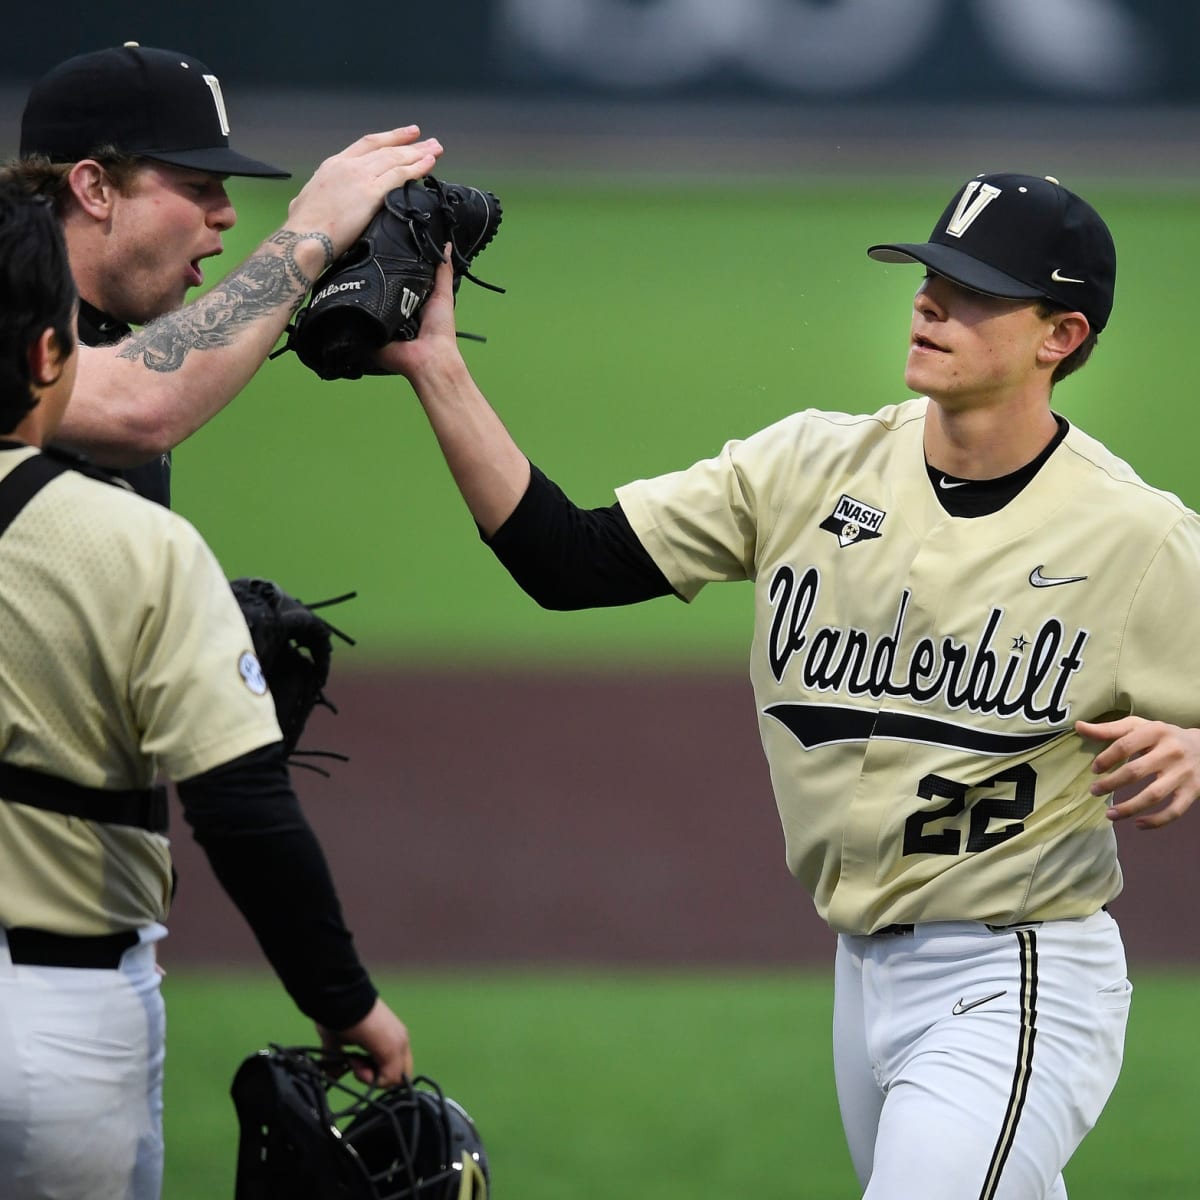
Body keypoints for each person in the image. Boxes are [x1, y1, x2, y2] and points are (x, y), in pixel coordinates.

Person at [383, 173, 1200, 1197]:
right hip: (860, 979)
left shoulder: (1138, 535)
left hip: (1016, 977)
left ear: (1062, 335)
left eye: (979, 290)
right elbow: (569, 563)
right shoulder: (811, 465)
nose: (932, 302)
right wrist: (437, 366)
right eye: (933, 274)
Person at [0, 183, 410, 1200]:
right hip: (58, 1020)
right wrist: (346, 1003)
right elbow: (243, 810)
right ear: (54, 356)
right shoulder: (132, 545)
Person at [5, 41, 443, 505]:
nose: (226, 214)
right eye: (197, 186)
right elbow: (138, 404)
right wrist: (311, 235)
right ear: (95, 189)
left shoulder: (92, 330)